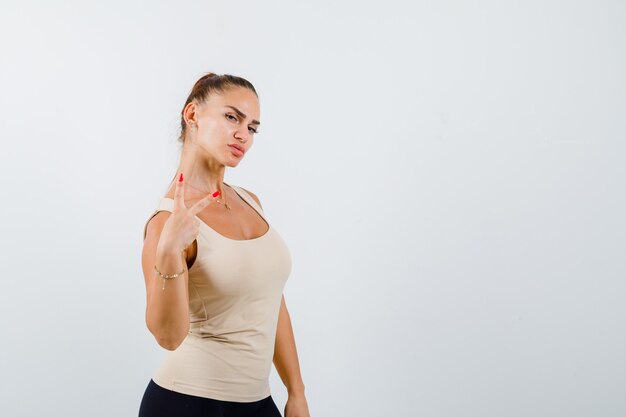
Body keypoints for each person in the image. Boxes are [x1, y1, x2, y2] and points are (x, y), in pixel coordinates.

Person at [138, 73, 310, 417]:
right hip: (187, 404)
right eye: (232, 117)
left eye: (252, 127)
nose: (243, 135)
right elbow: (168, 337)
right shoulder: (165, 222)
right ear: (193, 115)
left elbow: (272, 301)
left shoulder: (251, 201)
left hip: (258, 404)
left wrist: (296, 392)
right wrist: (169, 253)